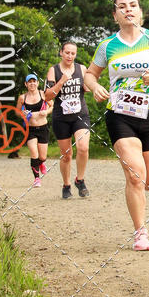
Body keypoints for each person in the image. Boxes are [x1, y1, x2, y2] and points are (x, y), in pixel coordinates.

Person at [85, 0, 149, 250]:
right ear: (115, 15)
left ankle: (134, 184)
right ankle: (141, 233)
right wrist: (94, 87)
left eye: (133, 5)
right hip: (120, 115)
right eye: (122, 7)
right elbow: (90, 75)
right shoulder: (107, 45)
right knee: (136, 176)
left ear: (140, 11)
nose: (128, 9)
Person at [45, 42, 91, 199]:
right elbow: (47, 95)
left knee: (83, 147)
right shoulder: (54, 70)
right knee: (66, 155)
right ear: (61, 53)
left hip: (80, 115)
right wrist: (62, 81)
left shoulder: (82, 69)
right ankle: (66, 185)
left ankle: (80, 180)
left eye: (73, 53)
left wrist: (90, 86)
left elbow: (89, 85)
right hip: (61, 117)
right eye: (67, 53)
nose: (70, 56)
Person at [16, 73, 53, 188]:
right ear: (26, 84)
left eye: (34, 81)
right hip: (30, 129)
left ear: (37, 83)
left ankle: (41, 163)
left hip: (43, 128)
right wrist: (23, 113)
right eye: (29, 82)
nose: (32, 83)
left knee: (42, 157)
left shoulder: (43, 94)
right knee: (33, 153)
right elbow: (17, 112)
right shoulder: (23, 98)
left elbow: (52, 106)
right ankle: (37, 178)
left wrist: (46, 112)